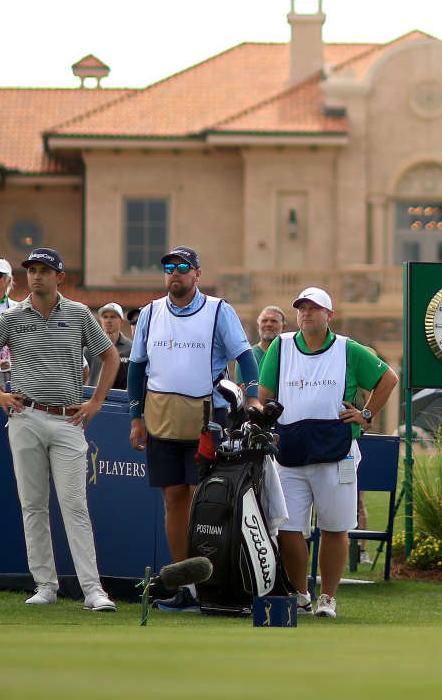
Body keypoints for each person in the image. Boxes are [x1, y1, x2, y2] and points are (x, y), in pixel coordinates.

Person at [0, 246, 119, 612]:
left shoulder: (80, 314)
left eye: (44, 270)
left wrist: (96, 401)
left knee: (74, 505)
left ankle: (93, 590)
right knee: (33, 505)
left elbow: (109, 356)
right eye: (32, 270)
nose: (36, 276)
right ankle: (45, 585)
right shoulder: (14, 316)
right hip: (26, 417)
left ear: (59, 277)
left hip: (68, 419)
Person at [124, 244, 256, 613]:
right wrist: (136, 417)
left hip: (209, 419)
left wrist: (256, 396)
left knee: (205, 501)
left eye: (183, 267)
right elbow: (136, 367)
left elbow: (245, 356)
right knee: (174, 500)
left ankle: (211, 584)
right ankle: (186, 587)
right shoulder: (150, 312)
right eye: (169, 267)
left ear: (197, 274)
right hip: (162, 418)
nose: (175, 273)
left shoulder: (219, 311)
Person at [259, 284, 396, 621]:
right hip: (290, 451)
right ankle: (301, 594)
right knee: (288, 528)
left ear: (328, 315)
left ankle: (328, 597)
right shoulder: (282, 345)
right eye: (301, 308)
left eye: (313, 308)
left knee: (336, 528)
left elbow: (388, 379)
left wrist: (365, 415)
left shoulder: (349, 349)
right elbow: (265, 393)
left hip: (337, 452)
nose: (306, 313)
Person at [89, 302, 134, 389]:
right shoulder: (90, 347)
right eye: (105, 317)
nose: (108, 321)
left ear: (122, 322)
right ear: (100, 320)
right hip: (93, 398)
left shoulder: (130, 348)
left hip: (120, 399)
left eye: (113, 317)